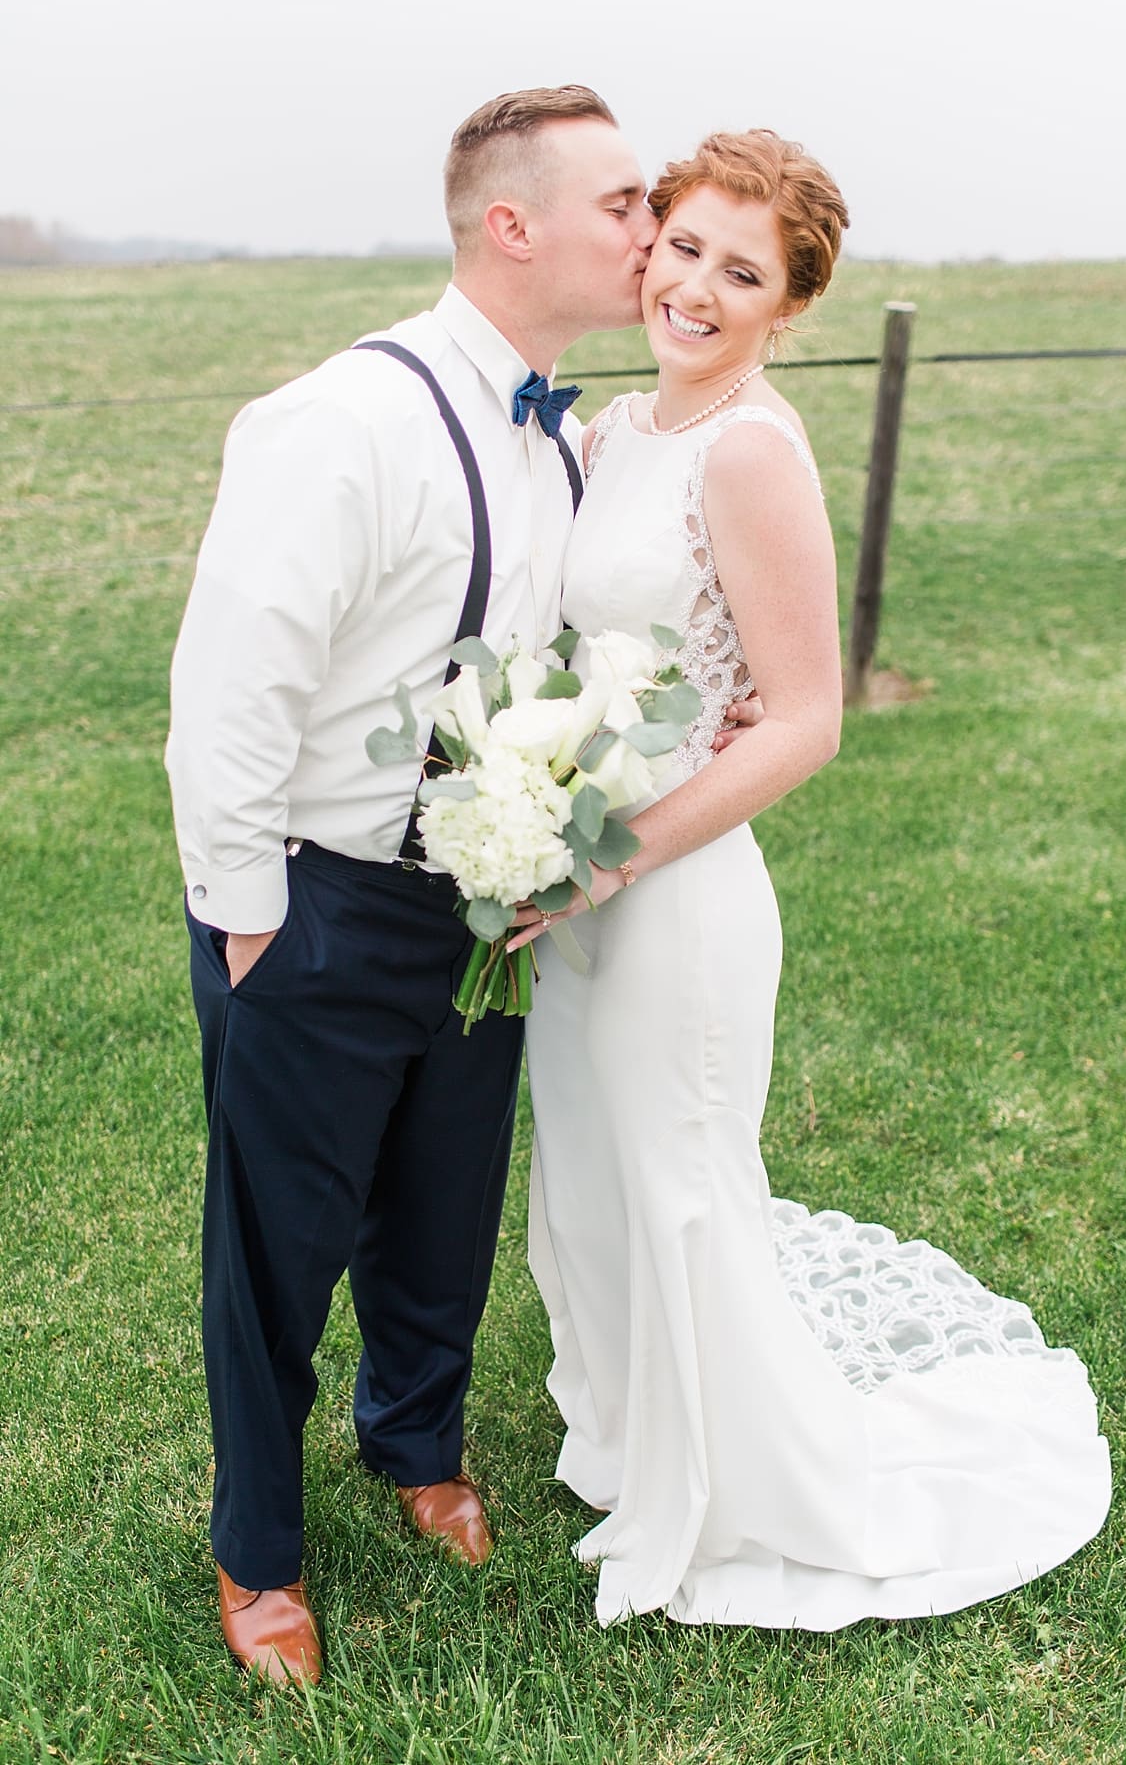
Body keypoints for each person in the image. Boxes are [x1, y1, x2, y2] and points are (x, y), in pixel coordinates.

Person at [510, 130, 1112, 1629]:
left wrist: (608, 861)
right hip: (574, 876)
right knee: (586, 1174)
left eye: (745, 273)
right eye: (688, 247)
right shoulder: (609, 437)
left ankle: (744, 1490)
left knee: (679, 1179)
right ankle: (638, 1437)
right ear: (648, 245)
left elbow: (807, 720)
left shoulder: (751, 451)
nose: (699, 288)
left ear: (789, 308)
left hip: (673, 898)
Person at [165, 85, 660, 1684]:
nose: (649, 236)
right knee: (278, 1237)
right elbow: (230, 689)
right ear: (511, 227)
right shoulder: (342, 423)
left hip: (483, 897)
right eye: (625, 206)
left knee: (445, 1201)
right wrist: (249, 916)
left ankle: (418, 1444)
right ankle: (258, 1553)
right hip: (313, 902)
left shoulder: (568, 433)